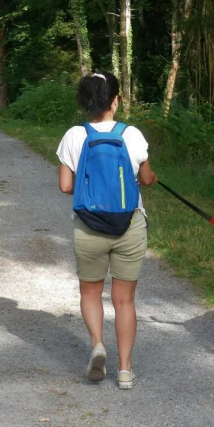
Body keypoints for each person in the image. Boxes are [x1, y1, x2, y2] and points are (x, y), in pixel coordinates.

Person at [56, 72, 157, 389]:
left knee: (90, 291)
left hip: (88, 226)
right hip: (129, 224)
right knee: (124, 300)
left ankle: (98, 344)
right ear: (115, 100)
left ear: (86, 103)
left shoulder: (74, 136)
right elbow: (148, 177)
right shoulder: (132, 135)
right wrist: (147, 180)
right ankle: (125, 370)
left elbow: (65, 186)